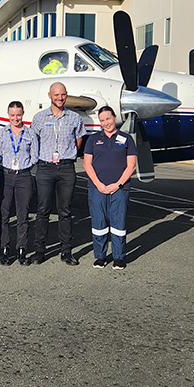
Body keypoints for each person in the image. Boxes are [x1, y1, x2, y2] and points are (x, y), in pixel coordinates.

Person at [31, 82, 86, 265]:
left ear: (66, 95)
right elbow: (34, 142)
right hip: (45, 168)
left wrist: (66, 156)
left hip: (66, 168)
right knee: (43, 210)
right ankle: (40, 250)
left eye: (63, 94)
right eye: (56, 95)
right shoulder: (39, 118)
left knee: (65, 211)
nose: (60, 98)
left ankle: (66, 251)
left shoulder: (75, 118)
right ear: (49, 96)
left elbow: (78, 140)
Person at [83, 106, 137, 270]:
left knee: (118, 223)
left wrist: (118, 184)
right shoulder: (93, 139)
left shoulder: (126, 139)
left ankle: (119, 257)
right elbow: (87, 164)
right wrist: (99, 184)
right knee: (98, 223)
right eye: (102, 120)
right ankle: (100, 256)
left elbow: (131, 166)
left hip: (120, 189)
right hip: (96, 188)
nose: (106, 123)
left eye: (108, 118)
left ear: (114, 117)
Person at [0, 101, 38, 266]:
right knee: (4, 215)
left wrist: (22, 168)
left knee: (22, 215)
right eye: (12, 115)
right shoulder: (1, 133)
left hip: (24, 176)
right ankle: (4, 249)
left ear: (23, 113)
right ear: (8, 114)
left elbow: (34, 157)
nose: (15, 118)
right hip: (6, 176)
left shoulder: (30, 134)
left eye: (18, 115)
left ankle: (22, 250)